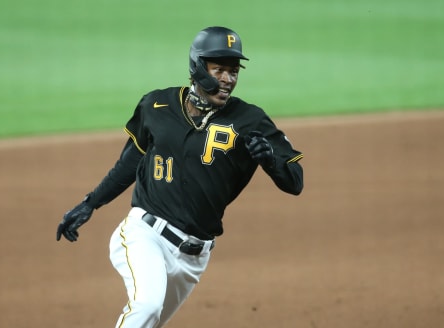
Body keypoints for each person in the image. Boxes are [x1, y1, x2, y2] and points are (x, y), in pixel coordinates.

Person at [56, 26, 304, 328]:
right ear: (198, 66)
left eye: (234, 71)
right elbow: (129, 162)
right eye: (219, 69)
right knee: (146, 306)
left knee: (150, 321)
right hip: (144, 234)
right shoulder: (157, 105)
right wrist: (91, 203)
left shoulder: (251, 120)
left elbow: (295, 182)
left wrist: (269, 161)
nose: (228, 79)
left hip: (193, 259)